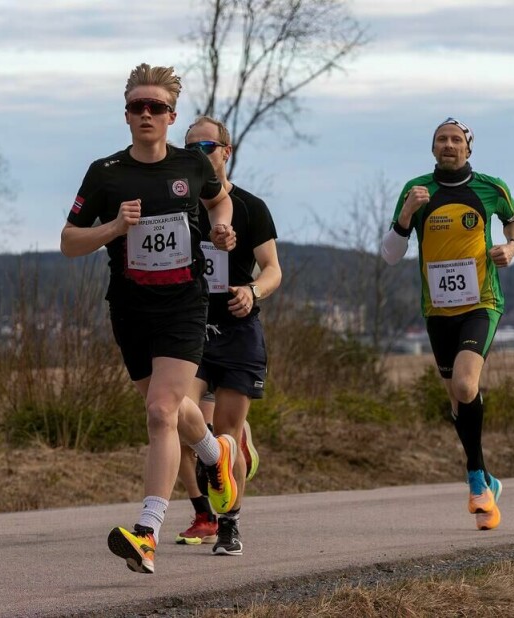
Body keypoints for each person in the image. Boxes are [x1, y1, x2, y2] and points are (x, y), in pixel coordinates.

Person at [60, 64, 241, 575]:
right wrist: (114, 226)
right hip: (130, 307)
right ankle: (213, 454)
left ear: (171, 115)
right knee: (173, 408)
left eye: (156, 107)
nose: (146, 114)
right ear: (126, 114)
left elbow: (219, 198)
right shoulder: (106, 173)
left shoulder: (191, 164)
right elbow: (68, 241)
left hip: (184, 303)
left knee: (160, 413)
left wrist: (222, 229)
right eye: (137, 106)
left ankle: (147, 533)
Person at [381, 117, 514, 530]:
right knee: (456, 401)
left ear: (468, 148)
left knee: (465, 385)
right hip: (437, 310)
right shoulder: (416, 190)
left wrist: (511, 246)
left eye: (456, 140)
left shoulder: (491, 187)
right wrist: (407, 212)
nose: (448, 145)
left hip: (481, 302)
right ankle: (487, 484)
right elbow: (391, 254)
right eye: (441, 139)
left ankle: (476, 478)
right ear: (433, 149)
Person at [174, 115, 281, 556]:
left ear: (226, 152)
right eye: (190, 150)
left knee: (228, 431)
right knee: (175, 414)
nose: (199, 156)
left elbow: (273, 270)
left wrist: (252, 292)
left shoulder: (252, 207)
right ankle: (206, 486)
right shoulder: (176, 205)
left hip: (236, 332)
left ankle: (228, 527)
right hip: (189, 330)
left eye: (207, 148)